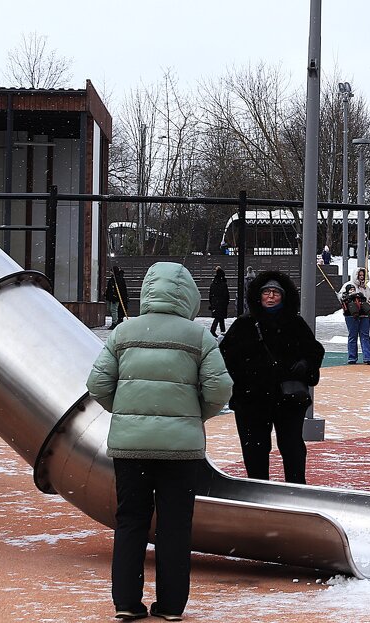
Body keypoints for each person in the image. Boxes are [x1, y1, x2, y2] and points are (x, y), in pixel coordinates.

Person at [85, 262, 233, 622]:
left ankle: (126, 601)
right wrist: (193, 415)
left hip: (130, 447)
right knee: (175, 525)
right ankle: (170, 606)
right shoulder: (199, 337)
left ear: (148, 291)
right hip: (180, 451)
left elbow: (98, 385)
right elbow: (220, 389)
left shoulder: (124, 332)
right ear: (188, 295)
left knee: (130, 521)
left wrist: (127, 411)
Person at [219, 271, 325, 484]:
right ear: (258, 296)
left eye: (275, 293)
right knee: (254, 449)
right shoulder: (244, 324)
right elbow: (226, 355)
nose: (270, 296)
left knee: (292, 447)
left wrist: (305, 366)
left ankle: (296, 490)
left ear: (283, 296)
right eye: (266, 292)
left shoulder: (295, 324)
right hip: (252, 400)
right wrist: (244, 377)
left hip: (288, 400)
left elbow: (314, 351)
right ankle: (258, 490)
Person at [339, 268, 370, 365]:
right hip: (351, 315)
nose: (361, 277)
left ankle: (368, 358)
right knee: (353, 335)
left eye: (363, 275)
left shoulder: (366, 288)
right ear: (355, 275)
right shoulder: (348, 285)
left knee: (365, 335)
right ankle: (352, 358)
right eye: (359, 275)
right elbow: (340, 296)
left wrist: (369, 302)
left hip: (364, 315)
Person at [208, 266, 230, 337]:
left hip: (215, 302)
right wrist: (226, 302)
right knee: (219, 317)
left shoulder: (213, 284)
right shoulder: (223, 284)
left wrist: (212, 303)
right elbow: (226, 294)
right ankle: (214, 330)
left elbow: (210, 294)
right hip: (221, 302)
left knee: (220, 317)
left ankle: (222, 331)